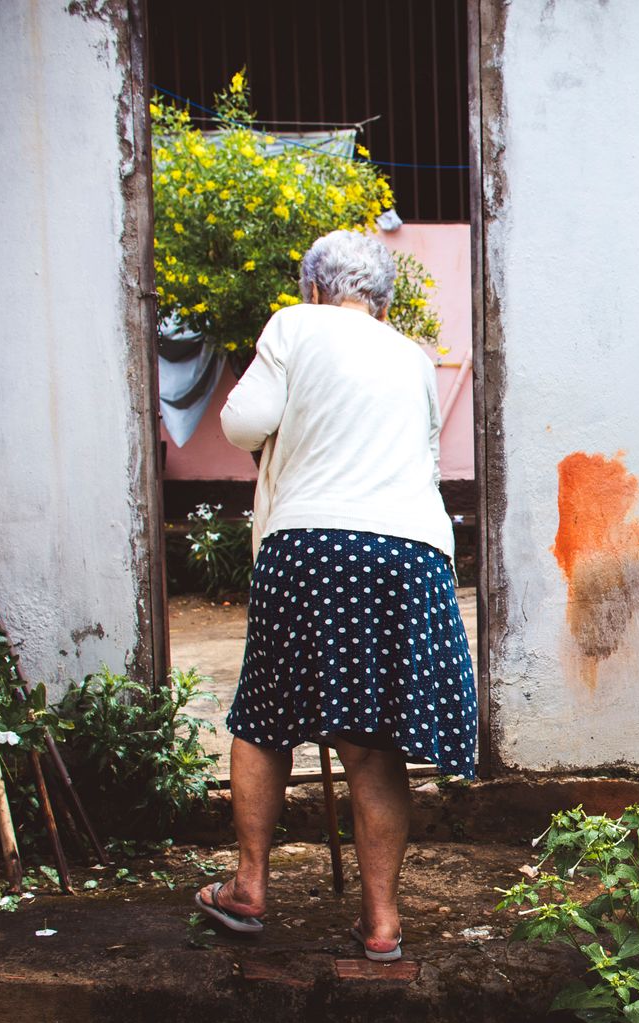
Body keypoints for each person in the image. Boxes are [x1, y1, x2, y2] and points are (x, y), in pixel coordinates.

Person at [193, 229, 475, 962]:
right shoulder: (413, 357)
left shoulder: (294, 325)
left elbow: (242, 423)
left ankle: (249, 885)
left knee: (264, 719)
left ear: (315, 287)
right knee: (373, 740)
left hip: (316, 541)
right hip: (410, 551)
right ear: (380, 300)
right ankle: (382, 921)